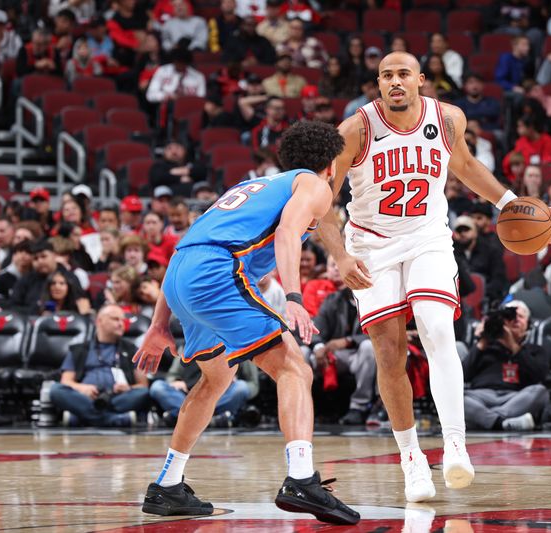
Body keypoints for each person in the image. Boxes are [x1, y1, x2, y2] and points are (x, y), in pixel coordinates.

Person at [315, 51, 534, 503]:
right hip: (371, 246)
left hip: (428, 237)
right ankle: (411, 458)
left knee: (437, 330)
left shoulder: (448, 118)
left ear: (420, 80)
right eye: (386, 76)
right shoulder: (355, 129)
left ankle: (455, 443)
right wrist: (339, 257)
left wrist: (509, 202)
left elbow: (467, 168)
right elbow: (320, 204)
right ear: (378, 84)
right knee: (390, 351)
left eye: (403, 74)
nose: (395, 82)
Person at [131, 121, 359, 525]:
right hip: (218, 272)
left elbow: (184, 248)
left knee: (216, 380)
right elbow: (290, 234)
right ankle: (302, 478)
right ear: (330, 163)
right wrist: (293, 297)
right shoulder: (315, 184)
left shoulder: (248, 187)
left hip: (184, 276)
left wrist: (159, 323)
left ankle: (167, 484)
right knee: (294, 368)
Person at [49, 304, 150, 427]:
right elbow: (66, 382)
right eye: (115, 319)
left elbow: (143, 385)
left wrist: (128, 389)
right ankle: (115, 420)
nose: (121, 324)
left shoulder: (132, 350)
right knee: (56, 390)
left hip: (118, 398)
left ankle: (82, 418)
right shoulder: (79, 349)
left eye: (122, 320)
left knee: (144, 393)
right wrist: (82, 388)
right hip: (86, 398)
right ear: (99, 321)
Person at [462, 302, 550, 431]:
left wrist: (513, 346)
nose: (515, 320)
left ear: (528, 324)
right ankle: (503, 423)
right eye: (510, 317)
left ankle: (486, 419)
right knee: (455, 398)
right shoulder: (484, 347)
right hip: (480, 396)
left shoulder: (535, 350)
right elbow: (462, 375)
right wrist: (482, 342)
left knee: (540, 391)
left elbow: (538, 376)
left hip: (515, 397)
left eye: (520, 316)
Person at [308, 278, 377, 425]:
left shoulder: (374, 299)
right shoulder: (334, 299)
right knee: (303, 353)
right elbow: (317, 327)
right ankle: (306, 405)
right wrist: (319, 346)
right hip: (332, 354)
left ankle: (358, 407)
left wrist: (349, 340)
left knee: (368, 347)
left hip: (357, 354)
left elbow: (377, 332)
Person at [150, 356, 259, 427]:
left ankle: (185, 419)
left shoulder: (238, 344)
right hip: (188, 396)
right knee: (157, 387)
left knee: (241, 387)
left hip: (220, 396)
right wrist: (175, 381)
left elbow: (253, 384)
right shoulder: (189, 343)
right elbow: (172, 375)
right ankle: (210, 420)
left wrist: (234, 382)